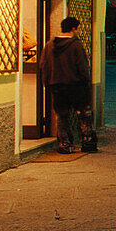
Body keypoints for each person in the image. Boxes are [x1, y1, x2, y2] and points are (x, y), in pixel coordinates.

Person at [39, 16, 97, 154]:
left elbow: (44, 66)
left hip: (56, 86)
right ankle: (87, 143)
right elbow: (82, 67)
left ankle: (64, 145)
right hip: (76, 86)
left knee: (62, 116)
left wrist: (47, 83)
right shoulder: (75, 45)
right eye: (77, 28)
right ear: (73, 28)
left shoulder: (49, 45)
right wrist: (86, 83)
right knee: (83, 114)